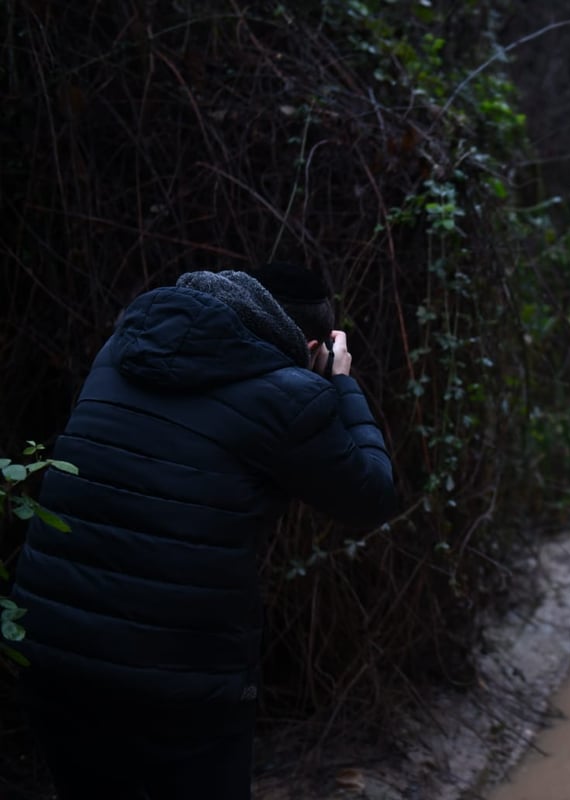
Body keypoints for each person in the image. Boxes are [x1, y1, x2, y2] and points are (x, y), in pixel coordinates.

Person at [10, 264, 399, 799]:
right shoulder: (288, 396)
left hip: (51, 650)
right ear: (311, 346)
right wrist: (341, 383)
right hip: (176, 679)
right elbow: (372, 496)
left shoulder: (122, 349)